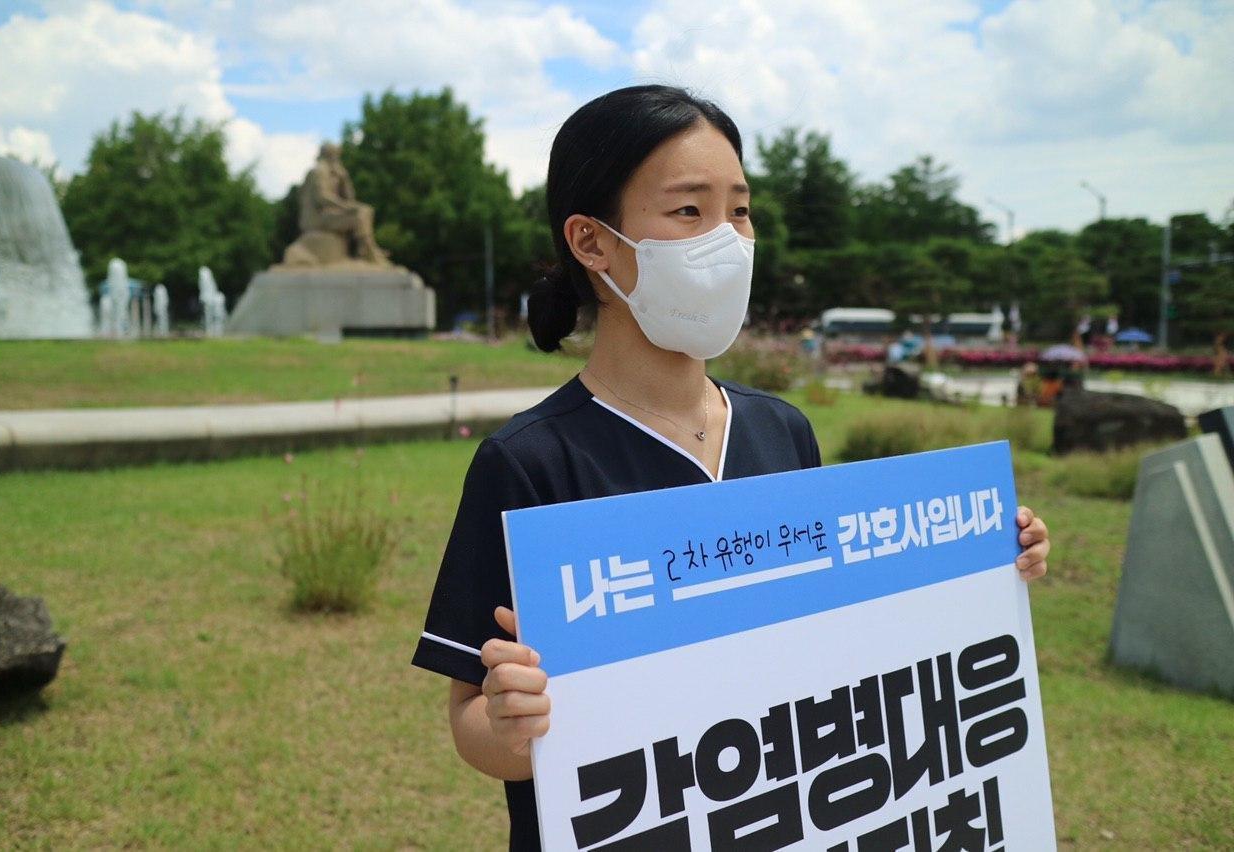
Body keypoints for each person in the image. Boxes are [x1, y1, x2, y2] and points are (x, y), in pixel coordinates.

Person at [409, 85, 1052, 851]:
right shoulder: (529, 464)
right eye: (689, 211)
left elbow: (843, 635)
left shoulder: (782, 431)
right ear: (592, 242)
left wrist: (978, 563)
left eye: (739, 210)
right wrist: (513, 726)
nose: (728, 238)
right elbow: (471, 722)